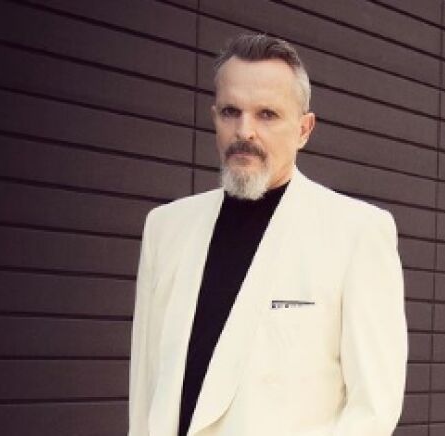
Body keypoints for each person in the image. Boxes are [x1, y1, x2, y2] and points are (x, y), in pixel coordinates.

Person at [128, 34, 408, 436]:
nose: (245, 131)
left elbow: (373, 412)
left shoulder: (357, 233)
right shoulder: (165, 228)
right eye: (231, 112)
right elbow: (145, 388)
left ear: (304, 129)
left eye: (267, 115)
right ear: (214, 117)